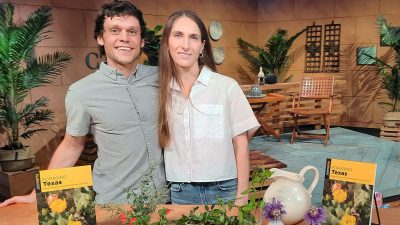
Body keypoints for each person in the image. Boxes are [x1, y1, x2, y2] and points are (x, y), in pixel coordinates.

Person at [0, 0, 165, 206]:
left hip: (165, 200)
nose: (125, 38)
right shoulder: (82, 92)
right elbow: (71, 146)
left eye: (132, 31)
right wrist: (37, 195)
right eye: (115, 30)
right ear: (100, 38)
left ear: (141, 41)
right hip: (115, 204)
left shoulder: (161, 77)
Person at [158, 10, 260, 206]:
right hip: (180, 191)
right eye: (178, 35)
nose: (185, 45)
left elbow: (241, 145)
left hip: (224, 189)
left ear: (202, 45)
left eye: (194, 37)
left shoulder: (226, 87)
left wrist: (242, 196)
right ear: (166, 42)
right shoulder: (160, 91)